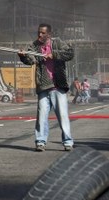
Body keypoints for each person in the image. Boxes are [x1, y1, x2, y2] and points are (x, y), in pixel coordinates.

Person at [18, 23, 75, 152]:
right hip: (43, 86)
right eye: (39, 32)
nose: (40, 35)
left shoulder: (57, 43)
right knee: (42, 115)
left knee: (62, 115)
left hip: (58, 85)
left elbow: (70, 53)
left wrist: (54, 55)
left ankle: (67, 142)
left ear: (49, 34)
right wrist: (22, 56)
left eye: (43, 33)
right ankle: (40, 141)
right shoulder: (34, 46)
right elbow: (30, 60)